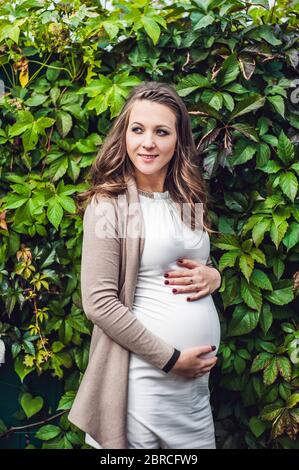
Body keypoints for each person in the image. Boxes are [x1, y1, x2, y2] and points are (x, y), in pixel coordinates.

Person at [68, 81, 221, 449]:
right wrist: (170, 359)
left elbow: (187, 262)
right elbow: (99, 302)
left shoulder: (187, 198)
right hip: (142, 382)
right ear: (124, 135)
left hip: (193, 392)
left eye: (161, 132)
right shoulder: (113, 205)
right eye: (137, 130)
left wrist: (214, 276)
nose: (147, 142)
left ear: (178, 140)